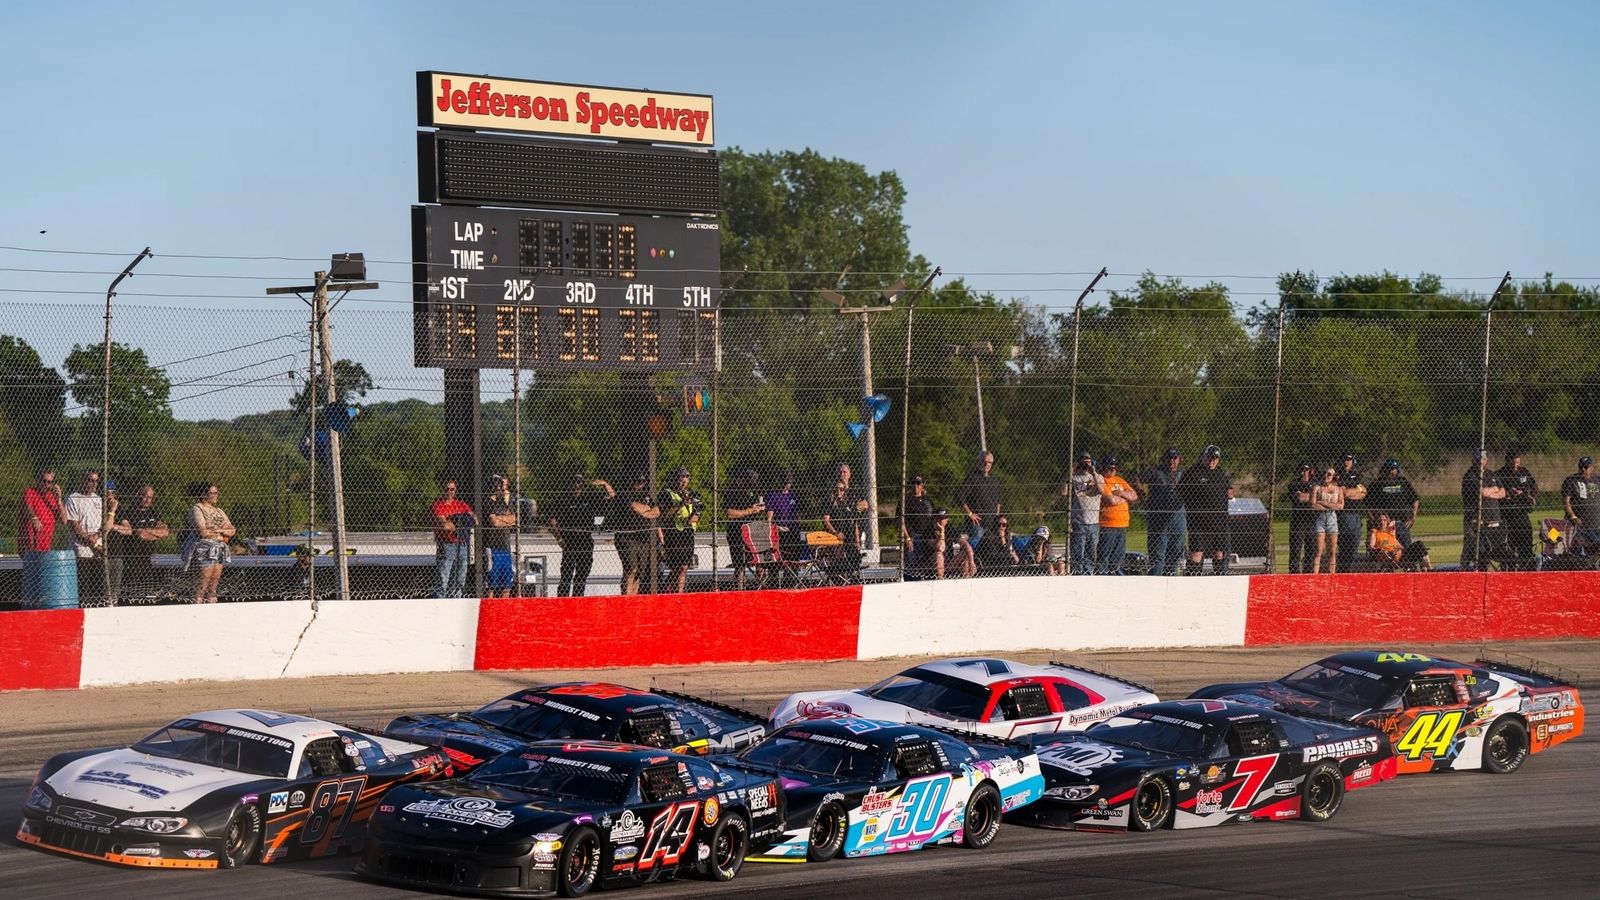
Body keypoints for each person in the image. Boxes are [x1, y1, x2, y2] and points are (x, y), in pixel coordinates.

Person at [548, 473, 613, 597]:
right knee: (566, 575)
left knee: (581, 575)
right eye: (574, 482)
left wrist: (604, 484)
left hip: (585, 540)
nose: (577, 485)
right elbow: (552, 521)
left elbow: (611, 496)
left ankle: (578, 600)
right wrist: (559, 538)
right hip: (569, 541)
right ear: (569, 484)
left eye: (579, 482)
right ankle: (563, 601)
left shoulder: (589, 497)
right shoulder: (562, 499)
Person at [106, 483, 169, 604]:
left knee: (148, 596)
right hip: (132, 561)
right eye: (145, 496)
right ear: (137, 495)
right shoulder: (128, 511)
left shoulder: (154, 512)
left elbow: (165, 532)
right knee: (132, 597)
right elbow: (138, 534)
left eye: (150, 497)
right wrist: (153, 534)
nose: (147, 499)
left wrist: (145, 531)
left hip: (147, 560)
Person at [1179, 445, 1232, 575]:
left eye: (1215, 459)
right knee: (1197, 553)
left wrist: (1228, 493)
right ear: (1204, 457)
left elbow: (1230, 491)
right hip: (1199, 522)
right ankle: (1193, 579)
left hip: (1219, 521)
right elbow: (1179, 492)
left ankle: (1219, 579)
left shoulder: (1220, 473)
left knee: (1220, 553)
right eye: (1209, 458)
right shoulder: (1193, 472)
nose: (1212, 461)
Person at [64, 470, 110, 606]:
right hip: (81, 549)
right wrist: (89, 541)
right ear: (82, 479)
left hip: (98, 549)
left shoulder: (98, 499)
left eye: (96, 481)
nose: (94, 484)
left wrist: (97, 536)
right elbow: (74, 524)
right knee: (83, 586)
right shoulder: (73, 498)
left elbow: (104, 522)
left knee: (97, 586)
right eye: (90, 480)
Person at [16, 468, 64, 597]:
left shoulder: (52, 498)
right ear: (38, 481)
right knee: (32, 580)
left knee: (43, 583)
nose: (46, 485)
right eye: (44, 481)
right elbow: (28, 507)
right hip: (30, 546)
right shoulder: (30, 492)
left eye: (49, 482)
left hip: (45, 548)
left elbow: (64, 520)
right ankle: (29, 602)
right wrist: (34, 517)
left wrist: (59, 499)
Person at [186, 483, 234, 603]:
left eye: (217, 492)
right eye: (213, 493)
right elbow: (203, 532)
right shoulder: (197, 508)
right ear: (203, 494)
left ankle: (211, 604)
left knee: (213, 587)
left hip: (220, 547)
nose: (216, 495)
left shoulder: (218, 510)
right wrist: (223, 532)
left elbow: (232, 530)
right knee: (203, 583)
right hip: (205, 548)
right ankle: (197, 603)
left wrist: (217, 530)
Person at [1460, 449, 1508, 571]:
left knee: (1491, 551)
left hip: (1493, 521)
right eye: (1478, 459)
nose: (1480, 461)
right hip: (1476, 522)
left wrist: (1491, 492)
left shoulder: (1491, 474)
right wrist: (1494, 489)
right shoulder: (1469, 476)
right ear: (1473, 460)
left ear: (1486, 460)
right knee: (1472, 550)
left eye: (1483, 459)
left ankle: (1488, 571)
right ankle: (1464, 572)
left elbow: (1503, 492)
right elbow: (1482, 492)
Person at [613, 472, 659, 595]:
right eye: (637, 482)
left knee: (640, 573)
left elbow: (657, 511)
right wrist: (648, 509)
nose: (639, 485)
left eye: (642, 482)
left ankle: (633, 597)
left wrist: (646, 512)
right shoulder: (624, 494)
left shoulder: (647, 495)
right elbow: (634, 506)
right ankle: (626, 597)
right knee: (631, 569)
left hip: (643, 538)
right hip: (627, 537)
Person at [1142, 449, 1186, 576]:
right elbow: (1137, 479)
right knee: (1158, 553)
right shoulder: (1155, 472)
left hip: (1178, 516)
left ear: (1179, 459)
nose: (1171, 461)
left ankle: (1171, 577)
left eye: (1174, 458)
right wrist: (1143, 495)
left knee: (1176, 550)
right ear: (1164, 459)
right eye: (1169, 457)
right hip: (1158, 516)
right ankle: (1155, 580)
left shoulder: (1184, 474)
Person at [657, 467, 701, 593]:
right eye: (681, 477)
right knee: (676, 567)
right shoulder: (667, 494)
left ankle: (679, 593)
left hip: (687, 533)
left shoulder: (691, 494)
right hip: (673, 533)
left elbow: (697, 516)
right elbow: (664, 515)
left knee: (684, 567)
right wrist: (681, 503)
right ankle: (668, 590)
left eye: (686, 477)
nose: (684, 480)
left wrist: (694, 516)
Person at [431, 479, 476, 598]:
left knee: (460, 578)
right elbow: (445, 526)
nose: (449, 492)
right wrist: (461, 521)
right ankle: (439, 601)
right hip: (446, 544)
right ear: (442, 490)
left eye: (452, 489)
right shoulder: (438, 505)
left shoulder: (461, 504)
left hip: (462, 544)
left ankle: (456, 599)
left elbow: (474, 520)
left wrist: (453, 521)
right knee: (443, 577)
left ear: (455, 490)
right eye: (447, 489)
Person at [1062, 452, 1103, 575]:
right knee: (1078, 550)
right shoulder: (1074, 478)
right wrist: (1071, 471)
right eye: (1083, 461)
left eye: (1088, 461)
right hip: (1078, 521)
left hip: (1094, 521)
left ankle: (1089, 573)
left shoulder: (1098, 477)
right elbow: (1064, 493)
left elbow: (1101, 490)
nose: (1085, 464)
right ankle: (1077, 572)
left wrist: (1093, 472)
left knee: (1092, 551)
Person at [955, 451, 1002, 558]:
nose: (987, 465)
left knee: (990, 549)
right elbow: (960, 497)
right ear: (979, 462)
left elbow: (998, 501)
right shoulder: (972, 478)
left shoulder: (995, 480)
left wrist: (997, 517)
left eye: (990, 462)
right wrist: (970, 514)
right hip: (977, 525)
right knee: (973, 550)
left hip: (992, 524)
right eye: (984, 462)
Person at [1497, 450, 1538, 570]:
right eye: (1514, 463)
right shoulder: (1499, 474)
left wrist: (1530, 496)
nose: (1516, 465)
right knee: (1508, 548)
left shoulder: (1524, 472)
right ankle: (1508, 571)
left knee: (1525, 547)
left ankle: (1527, 570)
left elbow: (1534, 486)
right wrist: (1508, 493)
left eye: (1518, 462)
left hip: (1522, 515)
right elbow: (1497, 493)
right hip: (1506, 517)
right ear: (1507, 461)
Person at [1096, 457, 1137, 575]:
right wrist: (1125, 498)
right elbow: (1111, 500)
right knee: (1104, 554)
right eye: (1109, 467)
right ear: (1103, 467)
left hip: (1123, 524)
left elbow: (1134, 495)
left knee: (1118, 555)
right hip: (1107, 524)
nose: (1112, 470)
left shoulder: (1119, 480)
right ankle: (1102, 575)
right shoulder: (1101, 480)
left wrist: (1120, 493)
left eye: (1114, 468)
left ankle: (1115, 575)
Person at [1367, 459, 1420, 548]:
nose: (1390, 471)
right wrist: (1374, 519)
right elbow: (1367, 504)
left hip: (1401, 523)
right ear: (1383, 470)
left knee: (1405, 549)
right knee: (1386, 549)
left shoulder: (1403, 482)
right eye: (1387, 468)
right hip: (1384, 525)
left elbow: (1415, 499)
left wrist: (1413, 516)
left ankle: (1407, 562)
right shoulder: (1376, 484)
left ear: (1397, 470)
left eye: (1392, 469)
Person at [480, 475, 517, 598]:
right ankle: (489, 609)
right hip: (492, 547)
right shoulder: (486, 502)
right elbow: (494, 522)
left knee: (507, 585)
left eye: (500, 485)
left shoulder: (502, 502)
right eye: (496, 485)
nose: (499, 487)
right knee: (491, 585)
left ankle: (503, 612)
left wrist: (500, 519)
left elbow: (514, 519)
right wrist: (505, 521)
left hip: (505, 547)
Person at [821, 479, 863, 582]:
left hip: (848, 536)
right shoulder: (829, 502)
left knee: (854, 557)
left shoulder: (846, 503)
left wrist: (857, 538)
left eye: (842, 489)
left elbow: (854, 522)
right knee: (837, 561)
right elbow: (826, 520)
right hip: (835, 536)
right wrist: (835, 532)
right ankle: (837, 582)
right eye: (837, 489)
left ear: (845, 491)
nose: (839, 492)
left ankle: (853, 580)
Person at [1334, 454, 1367, 573]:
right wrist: (1356, 492)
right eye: (1344, 459)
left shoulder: (1356, 475)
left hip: (1356, 515)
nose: (1346, 462)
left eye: (1349, 460)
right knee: (1344, 547)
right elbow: (1341, 493)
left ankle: (1347, 571)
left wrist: (1350, 492)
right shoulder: (1336, 475)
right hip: (1343, 514)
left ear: (1353, 462)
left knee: (1354, 546)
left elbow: (1363, 492)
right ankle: (1342, 572)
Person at [901, 474, 937, 580]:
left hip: (927, 536)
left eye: (918, 484)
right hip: (913, 536)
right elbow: (900, 520)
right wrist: (907, 537)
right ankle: (910, 582)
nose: (915, 486)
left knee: (926, 562)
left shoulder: (928, 500)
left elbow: (934, 517)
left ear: (922, 485)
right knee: (911, 564)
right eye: (913, 484)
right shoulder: (906, 500)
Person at [1561, 456, 1600, 549]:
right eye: (1581, 467)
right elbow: (1566, 501)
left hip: (1596, 525)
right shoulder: (1571, 480)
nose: (1583, 469)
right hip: (1579, 526)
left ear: (1591, 467)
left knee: (1596, 550)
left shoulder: (1597, 480)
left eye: (1585, 467)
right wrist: (1572, 516)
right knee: (1579, 550)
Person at [1310, 466, 1344, 574]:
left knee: (1332, 550)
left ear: (1334, 476)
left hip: (1332, 519)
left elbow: (1341, 506)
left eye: (1329, 474)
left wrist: (1323, 503)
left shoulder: (1338, 489)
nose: (1326, 476)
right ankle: (1315, 575)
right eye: (1325, 473)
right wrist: (1331, 506)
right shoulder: (1317, 488)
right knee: (1319, 550)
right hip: (1320, 519)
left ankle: (1332, 574)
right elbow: (1313, 504)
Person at [765, 471, 803, 563]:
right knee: (777, 560)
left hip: (792, 531)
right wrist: (777, 528)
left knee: (793, 559)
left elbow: (798, 516)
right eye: (784, 482)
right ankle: (774, 576)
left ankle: (791, 576)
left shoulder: (794, 495)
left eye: (788, 483)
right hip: (779, 532)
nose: (786, 485)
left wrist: (797, 525)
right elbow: (769, 519)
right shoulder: (773, 495)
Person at [1285, 463, 1317, 574]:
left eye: (1305, 470)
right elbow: (1299, 498)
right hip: (1298, 521)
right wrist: (1312, 497)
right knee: (1295, 549)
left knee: (1311, 549)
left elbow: (1318, 497)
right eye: (1301, 470)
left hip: (1312, 520)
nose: (1303, 472)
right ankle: (1294, 574)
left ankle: (1308, 573)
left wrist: (1308, 496)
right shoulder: (1294, 483)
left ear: (1310, 471)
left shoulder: (1314, 483)